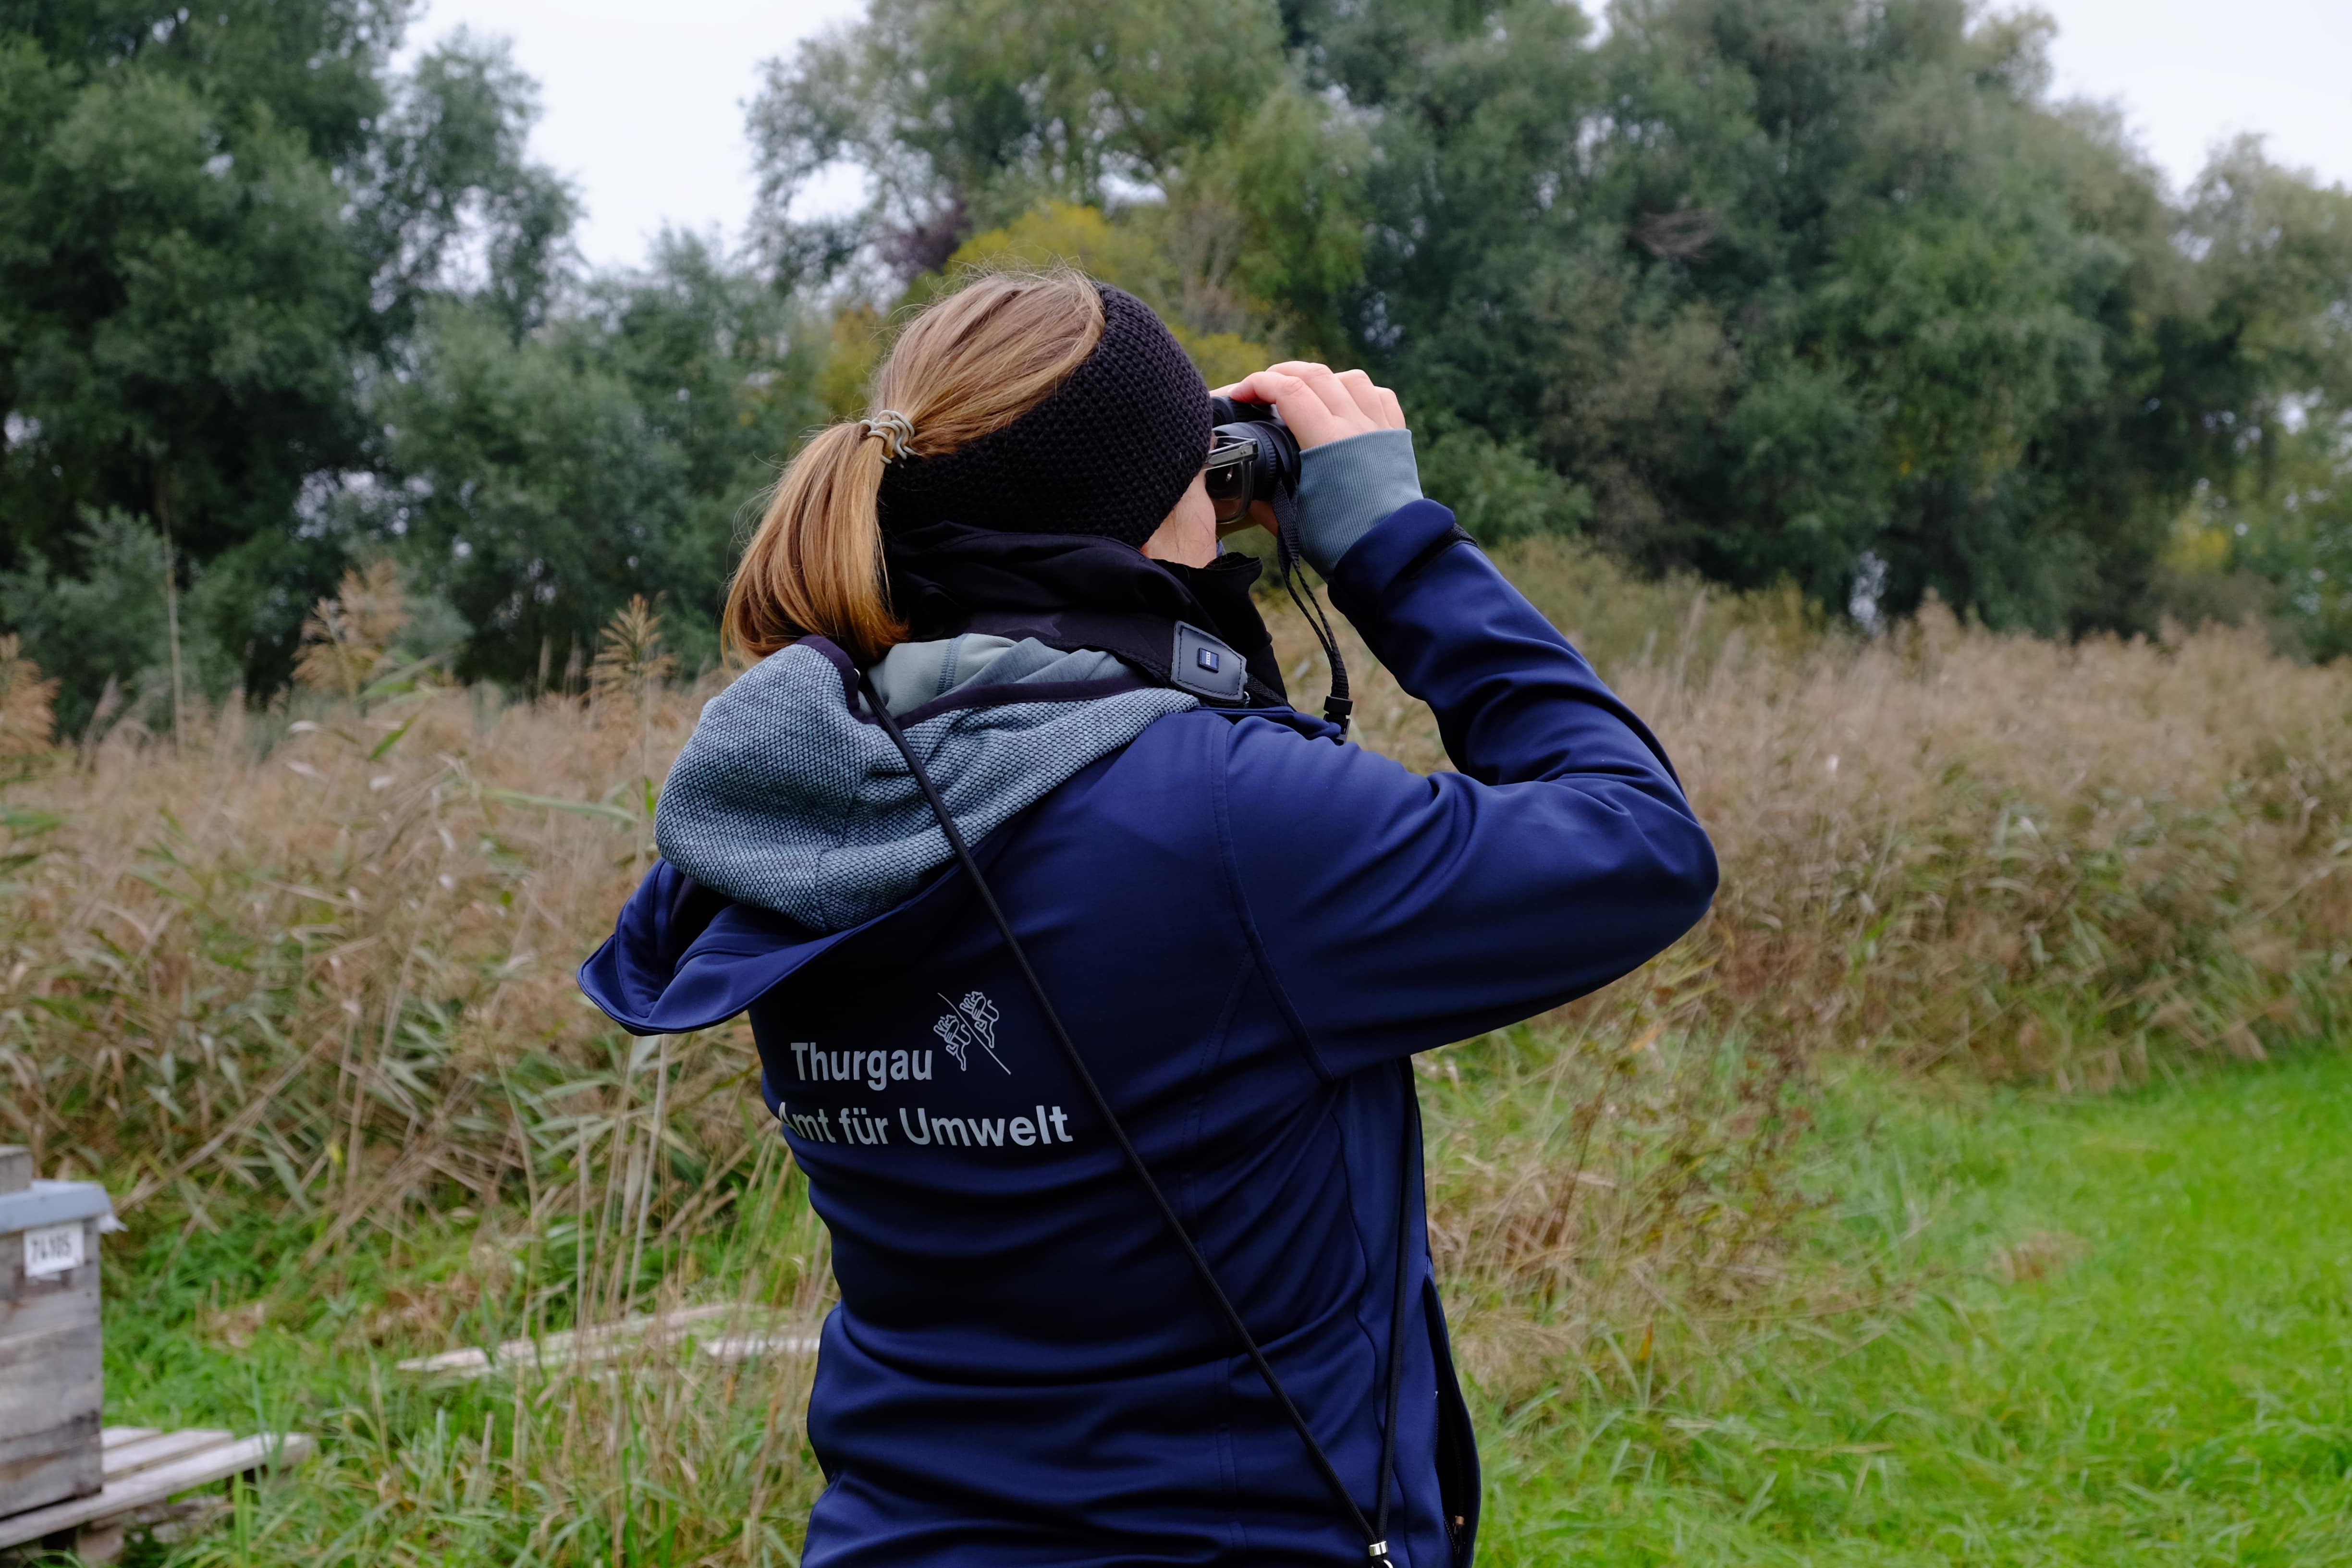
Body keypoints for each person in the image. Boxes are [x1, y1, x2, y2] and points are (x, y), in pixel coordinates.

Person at [580, 271, 1716, 1567]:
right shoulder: (1230, 821)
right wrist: (1397, 549)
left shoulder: (793, 810)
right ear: (1175, 507)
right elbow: (1642, 844)